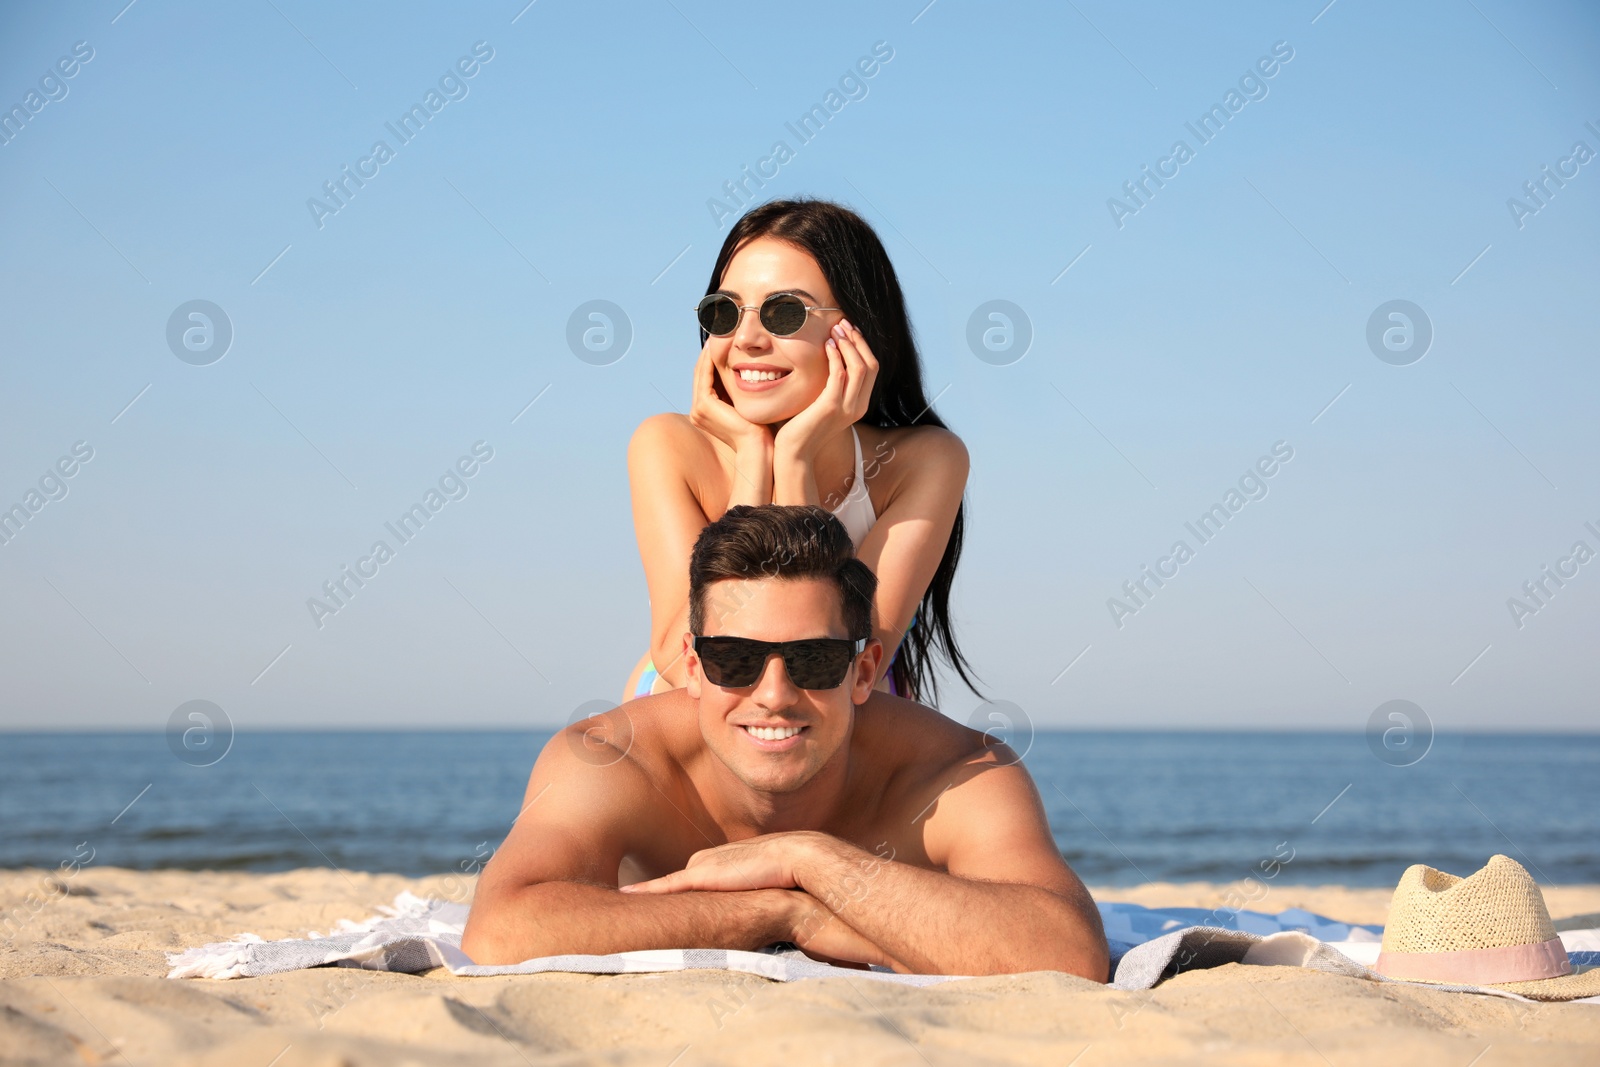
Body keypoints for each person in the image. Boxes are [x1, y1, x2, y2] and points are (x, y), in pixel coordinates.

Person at [463, 505, 1109, 980]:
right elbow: (499, 930)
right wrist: (777, 913)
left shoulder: (956, 771)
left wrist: (809, 860)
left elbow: (1069, 953)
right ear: (693, 666)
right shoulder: (614, 755)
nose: (773, 693)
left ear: (862, 672)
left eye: (814, 661)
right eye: (735, 659)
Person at [623, 198, 978, 706]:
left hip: (845, 727)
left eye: (784, 312)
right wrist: (752, 459)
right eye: (725, 311)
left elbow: (840, 663)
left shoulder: (924, 462)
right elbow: (686, 663)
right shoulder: (667, 444)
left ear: (857, 328)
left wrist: (794, 459)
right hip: (686, 706)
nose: (745, 338)